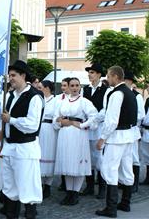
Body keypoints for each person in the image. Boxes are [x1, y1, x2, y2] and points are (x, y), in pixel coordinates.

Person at [0, 60, 44, 219]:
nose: (10, 78)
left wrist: (11, 119)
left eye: (13, 75)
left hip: (26, 149)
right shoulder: (10, 95)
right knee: (10, 188)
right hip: (10, 148)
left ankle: (30, 215)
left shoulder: (34, 97)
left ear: (23, 76)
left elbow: (32, 125)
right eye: (9, 75)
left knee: (27, 188)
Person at [96, 66, 137, 217]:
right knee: (126, 169)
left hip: (117, 137)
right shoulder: (129, 92)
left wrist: (102, 138)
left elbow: (112, 120)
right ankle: (125, 203)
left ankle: (111, 208)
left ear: (115, 76)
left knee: (109, 169)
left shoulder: (117, 93)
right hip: (129, 136)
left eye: (108, 75)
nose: (107, 78)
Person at [54, 77, 98, 206]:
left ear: (80, 87)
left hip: (78, 135)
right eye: (71, 85)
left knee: (77, 163)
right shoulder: (62, 102)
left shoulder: (84, 102)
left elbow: (94, 117)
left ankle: (75, 194)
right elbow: (55, 118)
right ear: (68, 86)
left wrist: (82, 125)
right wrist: (60, 122)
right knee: (67, 163)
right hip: (64, 134)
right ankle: (69, 193)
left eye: (76, 85)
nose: (74, 88)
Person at [82, 63, 109, 199]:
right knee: (88, 157)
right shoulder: (85, 89)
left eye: (92, 72)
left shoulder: (106, 90)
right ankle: (90, 186)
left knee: (99, 157)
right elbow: (82, 106)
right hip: (87, 127)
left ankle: (102, 187)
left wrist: (94, 120)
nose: (89, 74)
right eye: (89, 72)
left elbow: (105, 109)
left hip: (99, 128)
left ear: (99, 74)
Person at [124, 71, 145, 193]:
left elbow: (141, 114)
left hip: (132, 129)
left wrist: (128, 117)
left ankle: (134, 183)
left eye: (126, 80)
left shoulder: (137, 96)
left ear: (130, 82)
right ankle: (125, 182)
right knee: (125, 157)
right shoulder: (122, 94)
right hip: (123, 130)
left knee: (134, 157)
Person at [37, 80, 57, 199]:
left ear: (47, 88)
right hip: (39, 129)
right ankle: (38, 183)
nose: (39, 89)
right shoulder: (38, 99)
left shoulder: (55, 101)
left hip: (50, 130)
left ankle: (48, 185)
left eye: (41, 87)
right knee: (39, 155)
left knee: (49, 154)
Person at [56, 77, 70, 192]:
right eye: (62, 85)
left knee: (69, 156)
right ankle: (63, 181)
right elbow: (56, 115)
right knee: (62, 156)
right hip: (61, 130)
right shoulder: (58, 98)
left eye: (65, 85)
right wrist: (58, 122)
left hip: (73, 131)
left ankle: (70, 186)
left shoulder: (78, 99)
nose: (63, 88)